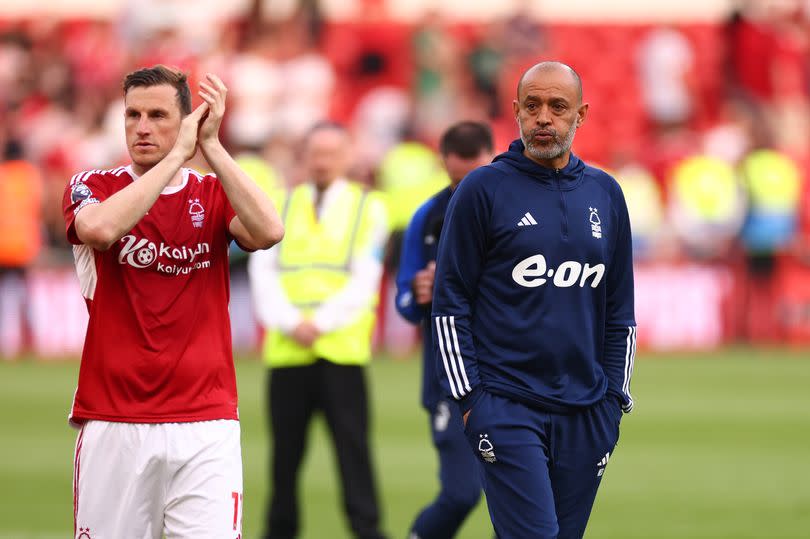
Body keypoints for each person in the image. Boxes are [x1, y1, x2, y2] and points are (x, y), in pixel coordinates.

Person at [62, 65, 284, 538]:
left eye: (159, 115)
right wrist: (175, 158)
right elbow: (99, 231)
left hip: (207, 422)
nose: (142, 127)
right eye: (133, 115)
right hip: (114, 418)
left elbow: (269, 230)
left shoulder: (210, 192)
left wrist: (212, 148)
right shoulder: (92, 187)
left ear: (186, 121)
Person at [431, 61, 636, 539]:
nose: (544, 118)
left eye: (558, 107)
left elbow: (620, 311)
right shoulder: (483, 189)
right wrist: (471, 400)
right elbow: (450, 302)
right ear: (516, 111)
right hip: (506, 405)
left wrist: (613, 401)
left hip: (587, 412)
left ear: (580, 114)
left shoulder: (606, 194)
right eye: (533, 106)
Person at [247, 122, 390, 539]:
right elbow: (263, 273)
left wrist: (317, 323)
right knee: (284, 459)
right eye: (315, 152)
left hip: (341, 351)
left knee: (354, 454)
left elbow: (365, 281)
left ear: (348, 157)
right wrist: (293, 323)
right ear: (303, 157)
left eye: (331, 152)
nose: (322, 161)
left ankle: (368, 531)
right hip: (289, 352)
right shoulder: (278, 204)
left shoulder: (370, 207)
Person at [394, 121, 494, 539]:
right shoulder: (428, 215)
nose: (465, 190)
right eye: (457, 180)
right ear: (444, 166)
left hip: (511, 375)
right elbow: (404, 302)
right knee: (460, 494)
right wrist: (420, 294)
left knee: (522, 499)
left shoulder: (517, 209)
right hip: (448, 381)